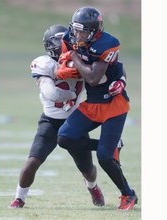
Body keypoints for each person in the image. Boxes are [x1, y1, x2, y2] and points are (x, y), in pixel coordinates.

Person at [9, 24, 106, 208]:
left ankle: (92, 186)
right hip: (51, 122)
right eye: (62, 41)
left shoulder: (80, 59)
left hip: (75, 121)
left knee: (87, 169)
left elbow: (99, 78)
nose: (67, 43)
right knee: (32, 162)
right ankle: (19, 197)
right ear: (50, 45)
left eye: (68, 39)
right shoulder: (45, 63)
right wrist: (70, 95)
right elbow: (51, 93)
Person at [57, 7, 138, 210]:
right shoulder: (70, 38)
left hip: (113, 105)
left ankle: (128, 194)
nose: (77, 35)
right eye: (76, 30)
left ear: (94, 32)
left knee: (104, 158)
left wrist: (74, 58)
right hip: (92, 103)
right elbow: (66, 66)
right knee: (65, 137)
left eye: (83, 31)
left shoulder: (108, 43)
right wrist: (66, 67)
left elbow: (93, 78)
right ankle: (112, 145)